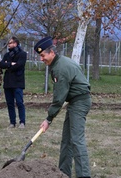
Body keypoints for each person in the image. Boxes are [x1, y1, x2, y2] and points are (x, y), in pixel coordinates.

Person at [34, 36, 92, 178]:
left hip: (80, 102)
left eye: (43, 55)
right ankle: (63, 173)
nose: (41, 59)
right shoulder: (59, 63)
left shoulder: (60, 68)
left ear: (51, 52)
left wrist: (49, 119)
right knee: (67, 140)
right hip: (74, 102)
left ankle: (84, 175)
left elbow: (59, 98)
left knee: (77, 140)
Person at [0, 36, 27, 128]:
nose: (8, 45)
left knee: (19, 102)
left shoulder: (22, 54)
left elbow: (19, 65)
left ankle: (22, 122)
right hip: (8, 83)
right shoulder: (7, 55)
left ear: (15, 43)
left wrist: (8, 65)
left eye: (10, 43)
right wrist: (10, 64)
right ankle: (12, 122)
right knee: (10, 103)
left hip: (18, 82)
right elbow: (1, 64)